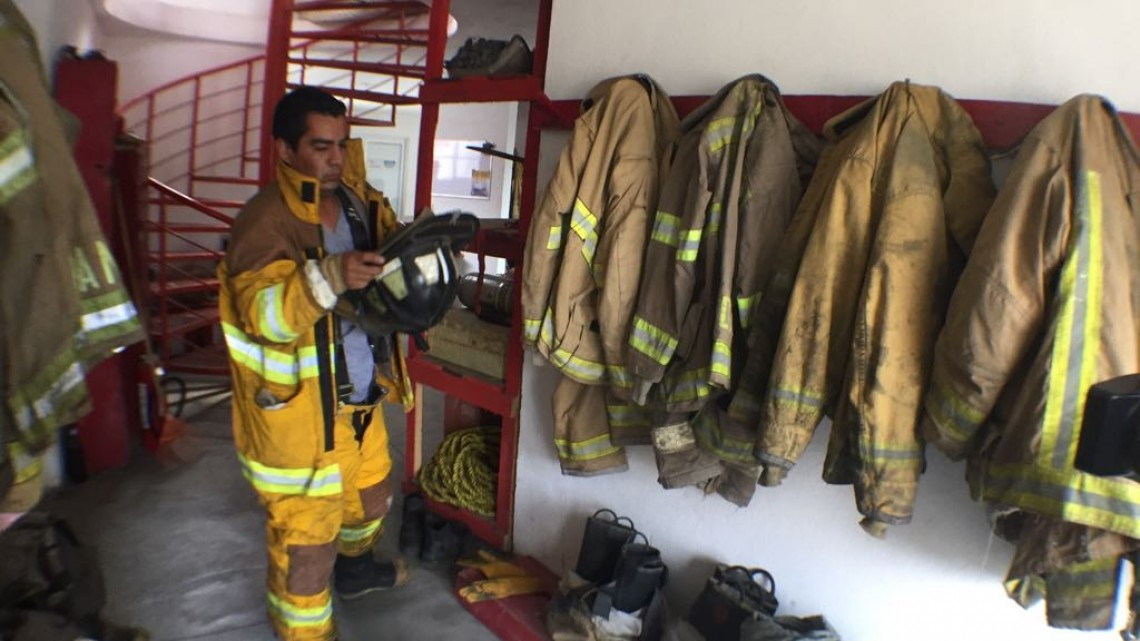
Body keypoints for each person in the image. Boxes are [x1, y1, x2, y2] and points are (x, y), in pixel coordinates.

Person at [218, 86, 411, 641]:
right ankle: (306, 632)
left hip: (362, 400)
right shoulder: (264, 222)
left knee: (371, 500)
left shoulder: (357, 202)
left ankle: (356, 572)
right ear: (284, 149)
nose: (335, 159)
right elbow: (262, 317)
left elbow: (388, 266)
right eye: (320, 146)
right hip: (301, 421)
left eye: (341, 145)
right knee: (307, 546)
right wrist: (329, 276)